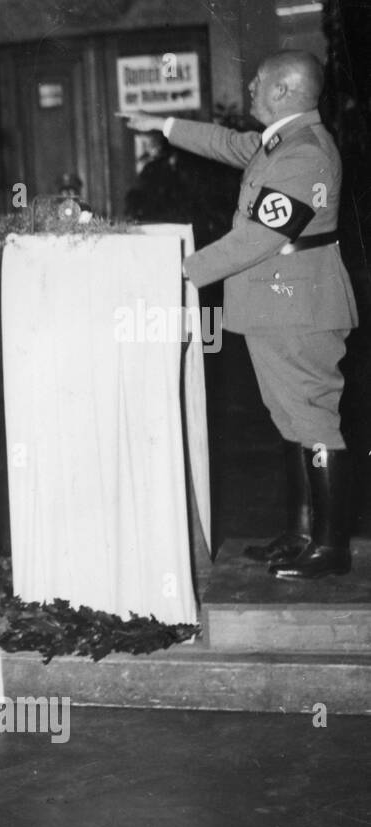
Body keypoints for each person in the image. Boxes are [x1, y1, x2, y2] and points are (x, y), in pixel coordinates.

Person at [125, 50, 358, 579]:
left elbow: (263, 234)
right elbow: (228, 144)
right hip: (278, 303)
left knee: (315, 421)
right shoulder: (282, 141)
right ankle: (303, 532)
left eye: (257, 81)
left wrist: (183, 271)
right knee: (291, 419)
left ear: (282, 91)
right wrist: (162, 123)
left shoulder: (305, 154)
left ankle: (330, 546)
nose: (250, 87)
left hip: (298, 306)